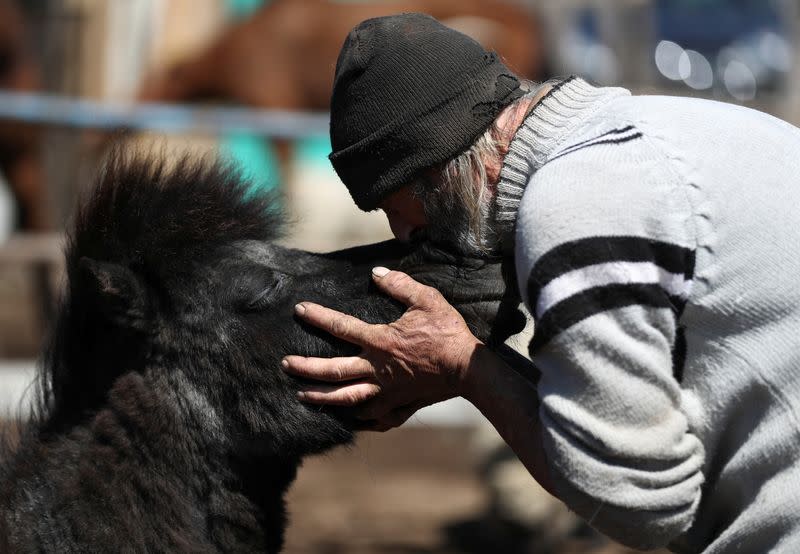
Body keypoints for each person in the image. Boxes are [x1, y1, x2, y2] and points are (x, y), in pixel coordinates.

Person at [281, 13, 800, 553]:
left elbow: (638, 501)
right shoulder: (669, 124)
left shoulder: (579, 205)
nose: (405, 231)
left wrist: (464, 366)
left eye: (394, 203)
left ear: (438, 164)